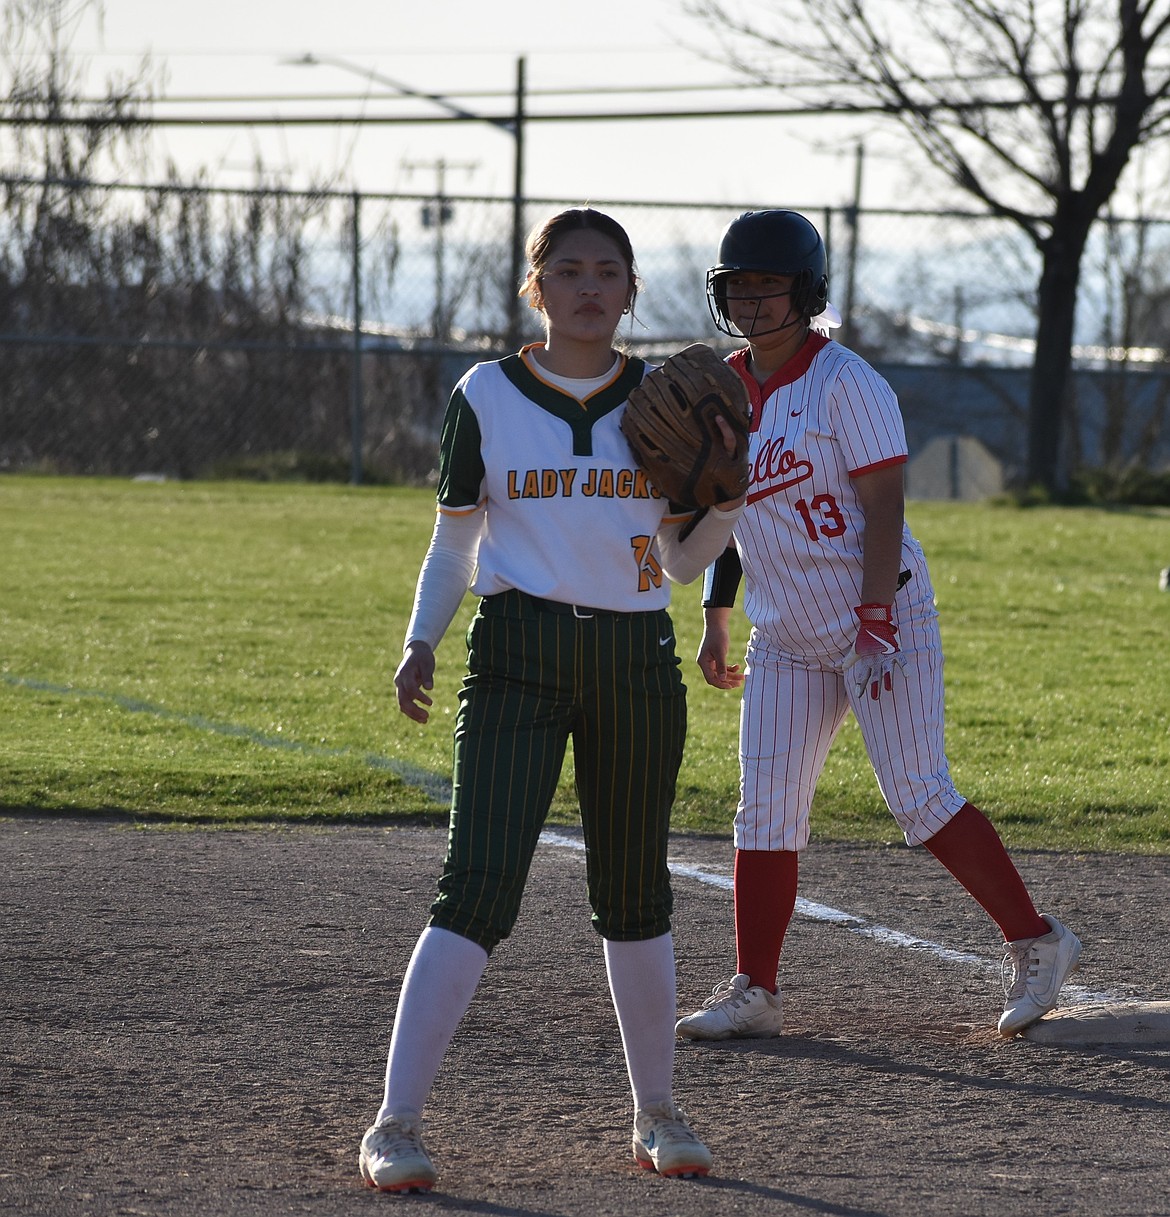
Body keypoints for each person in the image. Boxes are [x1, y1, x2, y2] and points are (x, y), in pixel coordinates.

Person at [359, 207, 746, 1193]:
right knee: (477, 884)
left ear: (629, 292)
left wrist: (731, 505)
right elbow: (453, 539)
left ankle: (657, 1108)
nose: (587, 286)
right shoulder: (486, 392)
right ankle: (394, 1121)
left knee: (635, 889)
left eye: (606, 271)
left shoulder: (662, 399)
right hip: (517, 651)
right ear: (536, 287)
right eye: (566, 269)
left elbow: (677, 557)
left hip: (633, 655)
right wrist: (421, 639)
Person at [674, 209, 1082, 1045]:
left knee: (920, 797)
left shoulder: (846, 383)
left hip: (880, 610)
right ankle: (756, 985)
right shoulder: (722, 390)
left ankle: (1040, 943)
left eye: (769, 283)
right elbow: (732, 509)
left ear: (806, 290)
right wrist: (717, 614)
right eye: (737, 284)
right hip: (785, 631)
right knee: (766, 812)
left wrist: (873, 623)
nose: (752, 300)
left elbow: (884, 508)